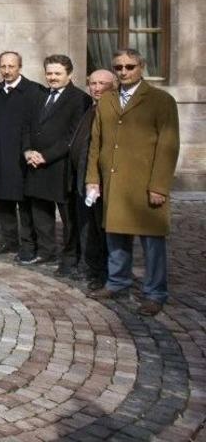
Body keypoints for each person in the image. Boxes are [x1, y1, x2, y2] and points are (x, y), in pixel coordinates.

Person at [87, 49, 180, 317]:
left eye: (130, 66)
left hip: (145, 183)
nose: (124, 72)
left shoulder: (161, 100)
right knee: (116, 236)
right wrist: (93, 179)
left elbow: (168, 145)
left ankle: (155, 293)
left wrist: (159, 186)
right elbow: (96, 143)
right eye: (118, 67)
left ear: (142, 66)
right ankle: (117, 282)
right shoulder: (107, 100)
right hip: (114, 182)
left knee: (152, 243)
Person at [21, 55, 92, 268]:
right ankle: (46, 252)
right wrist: (28, 151)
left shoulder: (80, 99)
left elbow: (73, 135)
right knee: (41, 212)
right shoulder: (39, 95)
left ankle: (70, 257)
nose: (52, 77)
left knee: (69, 217)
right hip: (35, 165)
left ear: (69, 74)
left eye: (57, 73)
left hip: (62, 167)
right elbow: (27, 126)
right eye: (49, 73)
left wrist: (46, 156)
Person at [0, 52, 44, 256]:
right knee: (3, 202)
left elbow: (38, 126)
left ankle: (29, 245)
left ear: (20, 67)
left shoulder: (34, 91)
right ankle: (9, 241)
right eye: (3, 66)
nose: (7, 70)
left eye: (11, 66)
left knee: (25, 204)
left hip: (23, 157)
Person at [69, 69, 117, 291]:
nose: (97, 88)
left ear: (113, 86)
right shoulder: (90, 107)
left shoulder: (113, 111)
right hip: (83, 178)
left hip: (100, 181)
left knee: (101, 228)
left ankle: (104, 273)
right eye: (93, 83)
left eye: (102, 84)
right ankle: (91, 268)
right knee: (87, 226)